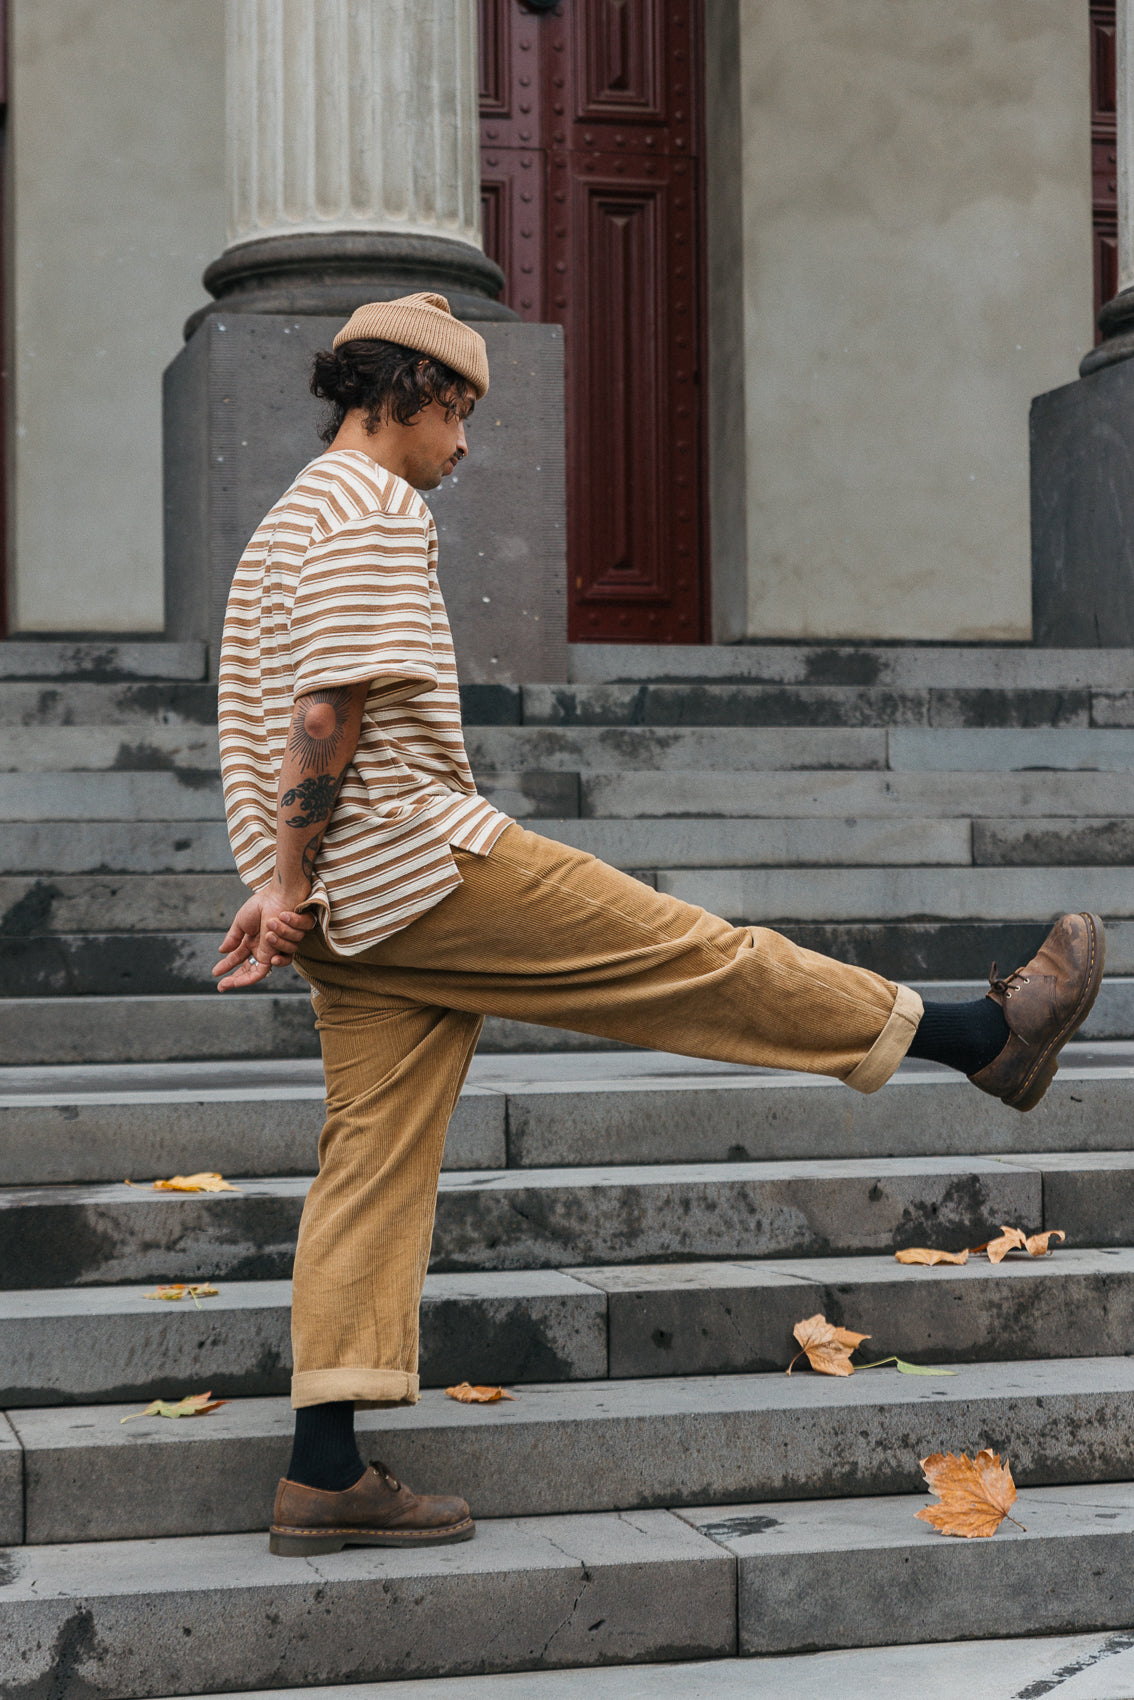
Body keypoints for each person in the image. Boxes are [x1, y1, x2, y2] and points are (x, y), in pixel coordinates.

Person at [213, 291, 1105, 1558]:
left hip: (351, 911)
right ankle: (978, 1036)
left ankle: (323, 1471)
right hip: (417, 863)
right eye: (460, 413)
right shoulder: (374, 504)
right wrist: (289, 879)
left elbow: (288, 719)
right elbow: (323, 714)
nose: (464, 444)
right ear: (410, 391)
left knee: (368, 1158)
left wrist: (288, 882)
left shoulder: (284, 520)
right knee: (698, 957)